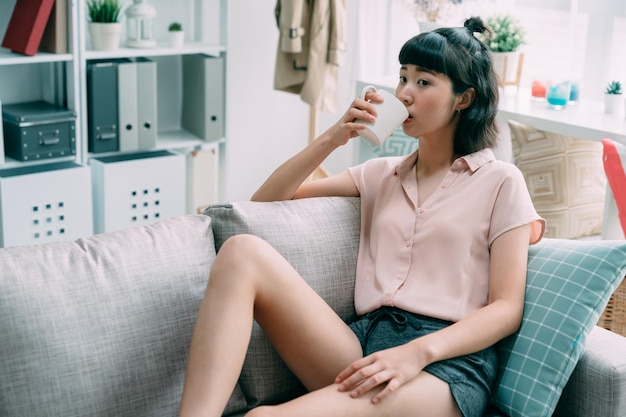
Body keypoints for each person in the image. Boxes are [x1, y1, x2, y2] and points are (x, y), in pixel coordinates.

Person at [178, 16, 545, 417]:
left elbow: (507, 308)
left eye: (424, 82)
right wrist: (334, 136)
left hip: (444, 368)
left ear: (464, 98)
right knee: (241, 252)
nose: (404, 93)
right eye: (403, 78)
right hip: (363, 343)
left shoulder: (500, 181)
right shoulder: (380, 174)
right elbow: (264, 203)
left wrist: (416, 353)